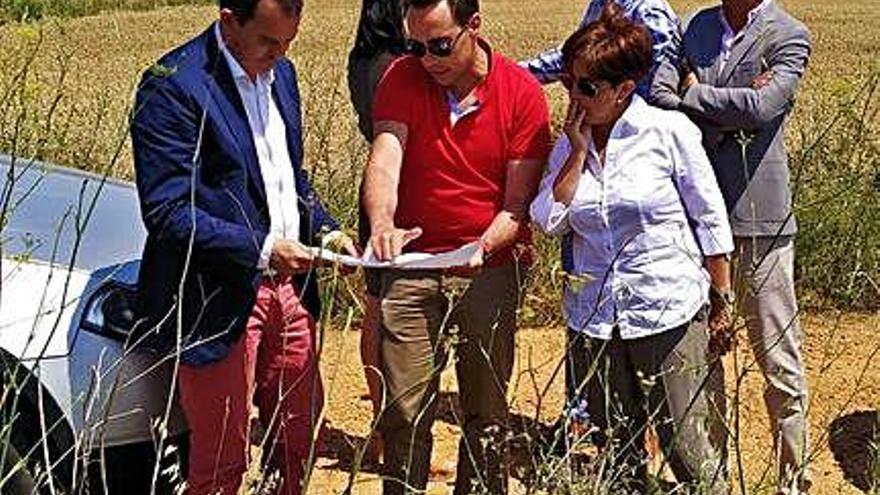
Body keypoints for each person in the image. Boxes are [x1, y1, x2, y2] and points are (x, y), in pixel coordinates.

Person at [129, 1, 356, 494]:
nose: (279, 55)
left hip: (292, 292)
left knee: (296, 442)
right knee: (221, 462)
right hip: (217, 298)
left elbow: (287, 179)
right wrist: (264, 249)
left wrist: (327, 230)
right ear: (229, 18)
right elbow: (168, 211)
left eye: (288, 42)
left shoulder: (283, 76)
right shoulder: (172, 85)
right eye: (268, 42)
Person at [530, 4, 733, 491]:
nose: (574, 95)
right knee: (616, 451)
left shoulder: (669, 133)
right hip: (594, 319)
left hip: (665, 311)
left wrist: (722, 303)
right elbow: (548, 220)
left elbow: (710, 220)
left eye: (587, 86)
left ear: (624, 90)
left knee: (687, 448)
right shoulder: (570, 144)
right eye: (569, 82)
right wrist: (577, 153)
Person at [361, 0, 552, 492]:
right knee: (403, 410)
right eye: (415, 46)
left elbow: (516, 206)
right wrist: (382, 220)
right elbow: (385, 159)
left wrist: (481, 249)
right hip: (413, 261)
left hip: (487, 265)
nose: (428, 59)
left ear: (474, 26)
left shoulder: (521, 94)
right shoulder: (402, 78)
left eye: (440, 45)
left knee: (485, 409)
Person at [651, 0, 813, 492]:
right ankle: (712, 479)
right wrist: (731, 105)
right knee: (702, 360)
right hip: (695, 220)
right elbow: (659, 94)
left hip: (759, 221)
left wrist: (696, 94)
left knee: (778, 361)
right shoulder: (695, 24)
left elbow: (764, 107)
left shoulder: (789, 33)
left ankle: (793, 480)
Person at [346, 0, 406, 455]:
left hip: (376, 187)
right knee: (390, 314)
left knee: (376, 305)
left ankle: (382, 426)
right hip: (401, 191)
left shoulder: (363, 58)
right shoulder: (401, 65)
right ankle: (392, 428)